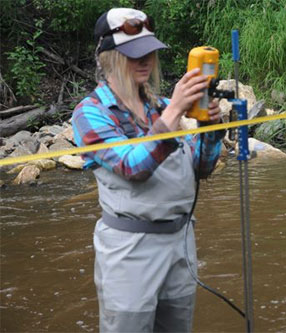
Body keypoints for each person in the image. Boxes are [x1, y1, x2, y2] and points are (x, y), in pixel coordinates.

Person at [72, 7, 225, 332]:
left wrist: (210, 128)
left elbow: (200, 168)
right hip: (130, 253)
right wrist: (175, 113)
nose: (144, 61)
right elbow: (133, 167)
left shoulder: (161, 105)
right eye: (133, 54)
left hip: (180, 243)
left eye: (150, 52)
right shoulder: (91, 113)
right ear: (107, 57)